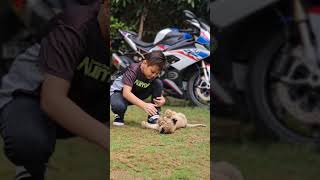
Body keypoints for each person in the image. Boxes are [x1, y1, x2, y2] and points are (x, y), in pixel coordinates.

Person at [0, 1, 109, 179]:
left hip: (87, 99)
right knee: (28, 142)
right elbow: (52, 101)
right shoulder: (75, 25)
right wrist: (109, 139)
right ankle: (30, 167)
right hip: (32, 95)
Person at [110, 50, 167, 126]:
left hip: (136, 92)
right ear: (145, 63)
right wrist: (144, 105)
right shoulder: (133, 69)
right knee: (119, 106)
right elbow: (126, 93)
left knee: (158, 82)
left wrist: (162, 99)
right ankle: (119, 115)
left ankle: (153, 116)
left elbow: (157, 88)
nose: (154, 75)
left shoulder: (153, 75)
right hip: (120, 93)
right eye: (152, 72)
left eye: (157, 73)